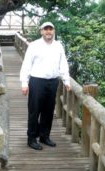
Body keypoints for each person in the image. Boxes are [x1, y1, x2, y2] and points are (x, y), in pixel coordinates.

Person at [20, 21, 71, 150]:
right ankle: (31, 139)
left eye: (50, 29)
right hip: (37, 81)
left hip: (53, 82)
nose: (48, 31)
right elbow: (26, 64)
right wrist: (24, 83)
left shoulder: (59, 46)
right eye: (45, 29)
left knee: (48, 111)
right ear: (41, 31)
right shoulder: (34, 45)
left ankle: (44, 136)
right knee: (34, 111)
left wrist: (66, 81)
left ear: (53, 31)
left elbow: (63, 64)